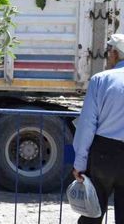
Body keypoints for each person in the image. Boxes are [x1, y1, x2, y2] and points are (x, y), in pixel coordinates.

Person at [72, 33, 124, 224]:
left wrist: (80, 163)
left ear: (115, 54)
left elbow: (87, 124)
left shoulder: (100, 80)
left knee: (92, 213)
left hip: (104, 154)